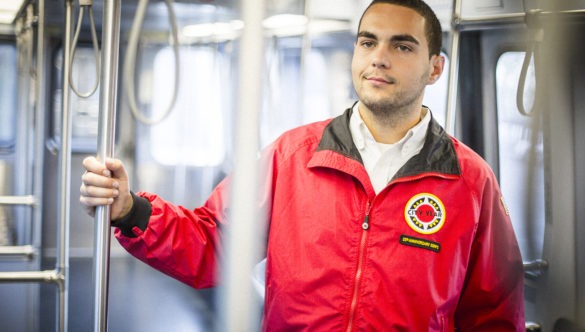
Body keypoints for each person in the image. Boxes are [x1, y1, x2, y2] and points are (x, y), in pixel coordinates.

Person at [80, 0, 525, 330]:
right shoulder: (292, 156)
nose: (379, 57)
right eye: (367, 41)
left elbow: (494, 312)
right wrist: (131, 210)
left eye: (402, 46)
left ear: (435, 68)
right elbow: (215, 243)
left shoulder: (468, 179)